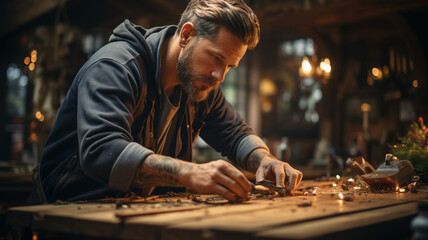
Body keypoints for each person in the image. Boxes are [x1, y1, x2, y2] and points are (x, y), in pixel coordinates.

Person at [28, 0, 303, 204]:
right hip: (62, 216)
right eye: (216, 58)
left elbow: (233, 133)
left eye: (230, 66)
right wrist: (189, 174)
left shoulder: (198, 82)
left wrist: (264, 160)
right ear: (186, 35)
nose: (220, 76)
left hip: (130, 216)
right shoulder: (116, 67)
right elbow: (102, 150)